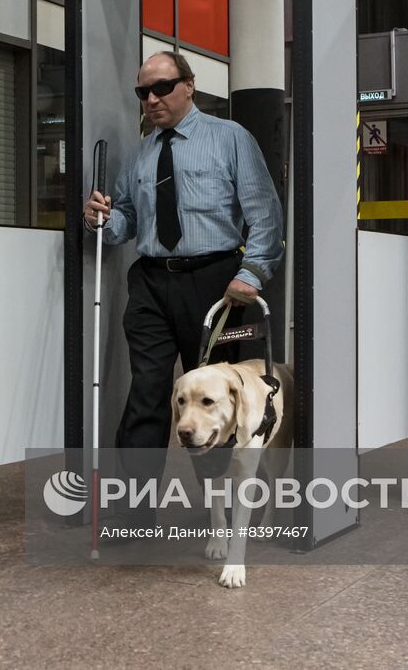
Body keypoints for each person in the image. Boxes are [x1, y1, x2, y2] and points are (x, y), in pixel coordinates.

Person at [85, 50, 284, 511]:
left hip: (216, 283)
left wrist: (251, 272)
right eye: (143, 92)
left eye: (161, 88)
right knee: (147, 392)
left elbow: (265, 213)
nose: (151, 99)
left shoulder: (230, 138)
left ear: (189, 86)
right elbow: (126, 224)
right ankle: (134, 510)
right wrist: (100, 220)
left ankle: (220, 507)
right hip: (152, 283)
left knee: (213, 398)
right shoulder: (141, 155)